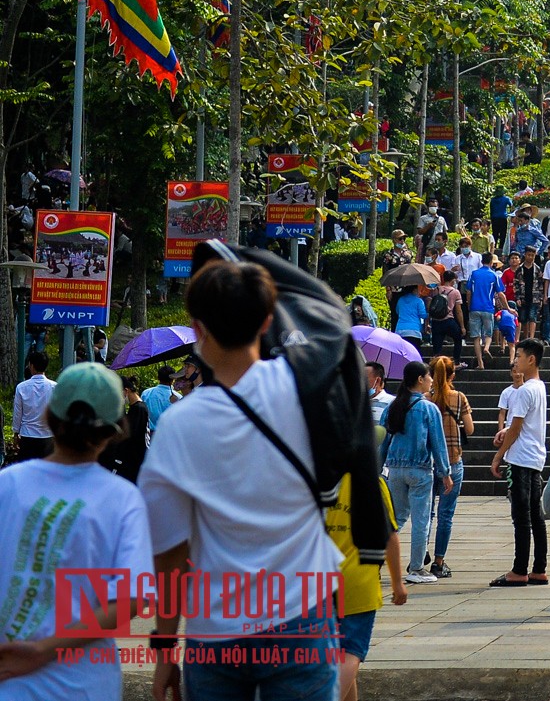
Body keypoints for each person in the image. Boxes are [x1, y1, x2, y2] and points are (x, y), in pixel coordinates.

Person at [141, 256, 343, 701]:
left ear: (198, 328)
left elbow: (170, 554)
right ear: (267, 320)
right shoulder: (309, 392)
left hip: (216, 626)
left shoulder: (179, 425)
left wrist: (163, 649)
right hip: (302, 613)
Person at [0, 362, 153, 700]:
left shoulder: (8, 484)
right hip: (86, 684)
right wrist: (44, 650)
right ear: (114, 432)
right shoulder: (123, 499)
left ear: (50, 418)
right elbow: (132, 597)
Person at [329, 469, 405, 701]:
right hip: (358, 581)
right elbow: (389, 537)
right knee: (350, 653)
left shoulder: (316, 478)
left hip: (318, 581)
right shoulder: (371, 482)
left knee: (332, 653)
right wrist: (397, 582)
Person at [381, 359, 451, 587]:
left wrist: (378, 468)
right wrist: (445, 472)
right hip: (420, 470)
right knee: (421, 521)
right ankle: (417, 567)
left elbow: (383, 440)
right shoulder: (428, 409)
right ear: (420, 379)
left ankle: (375, 559)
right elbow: (438, 444)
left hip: (395, 470)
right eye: (429, 377)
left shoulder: (393, 406)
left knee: (396, 518)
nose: (431, 381)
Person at [490, 338, 550, 587]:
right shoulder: (539, 386)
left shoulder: (524, 390)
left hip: (520, 458)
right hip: (535, 456)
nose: (516, 361)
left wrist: (499, 455)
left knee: (521, 515)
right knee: (535, 514)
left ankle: (519, 569)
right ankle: (539, 568)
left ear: (531, 359)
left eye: (520, 356)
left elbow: (515, 428)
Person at [427, 356, 473, 578]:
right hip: (453, 460)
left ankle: (419, 555)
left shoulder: (425, 399)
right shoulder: (459, 397)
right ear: (452, 374)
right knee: (446, 514)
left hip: (429, 462)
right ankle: (438, 561)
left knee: (426, 513)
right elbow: (471, 429)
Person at [10, 350, 53, 459]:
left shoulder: (21, 387)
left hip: (27, 436)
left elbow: (18, 413)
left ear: (31, 366)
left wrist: (16, 432)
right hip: (48, 436)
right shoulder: (55, 387)